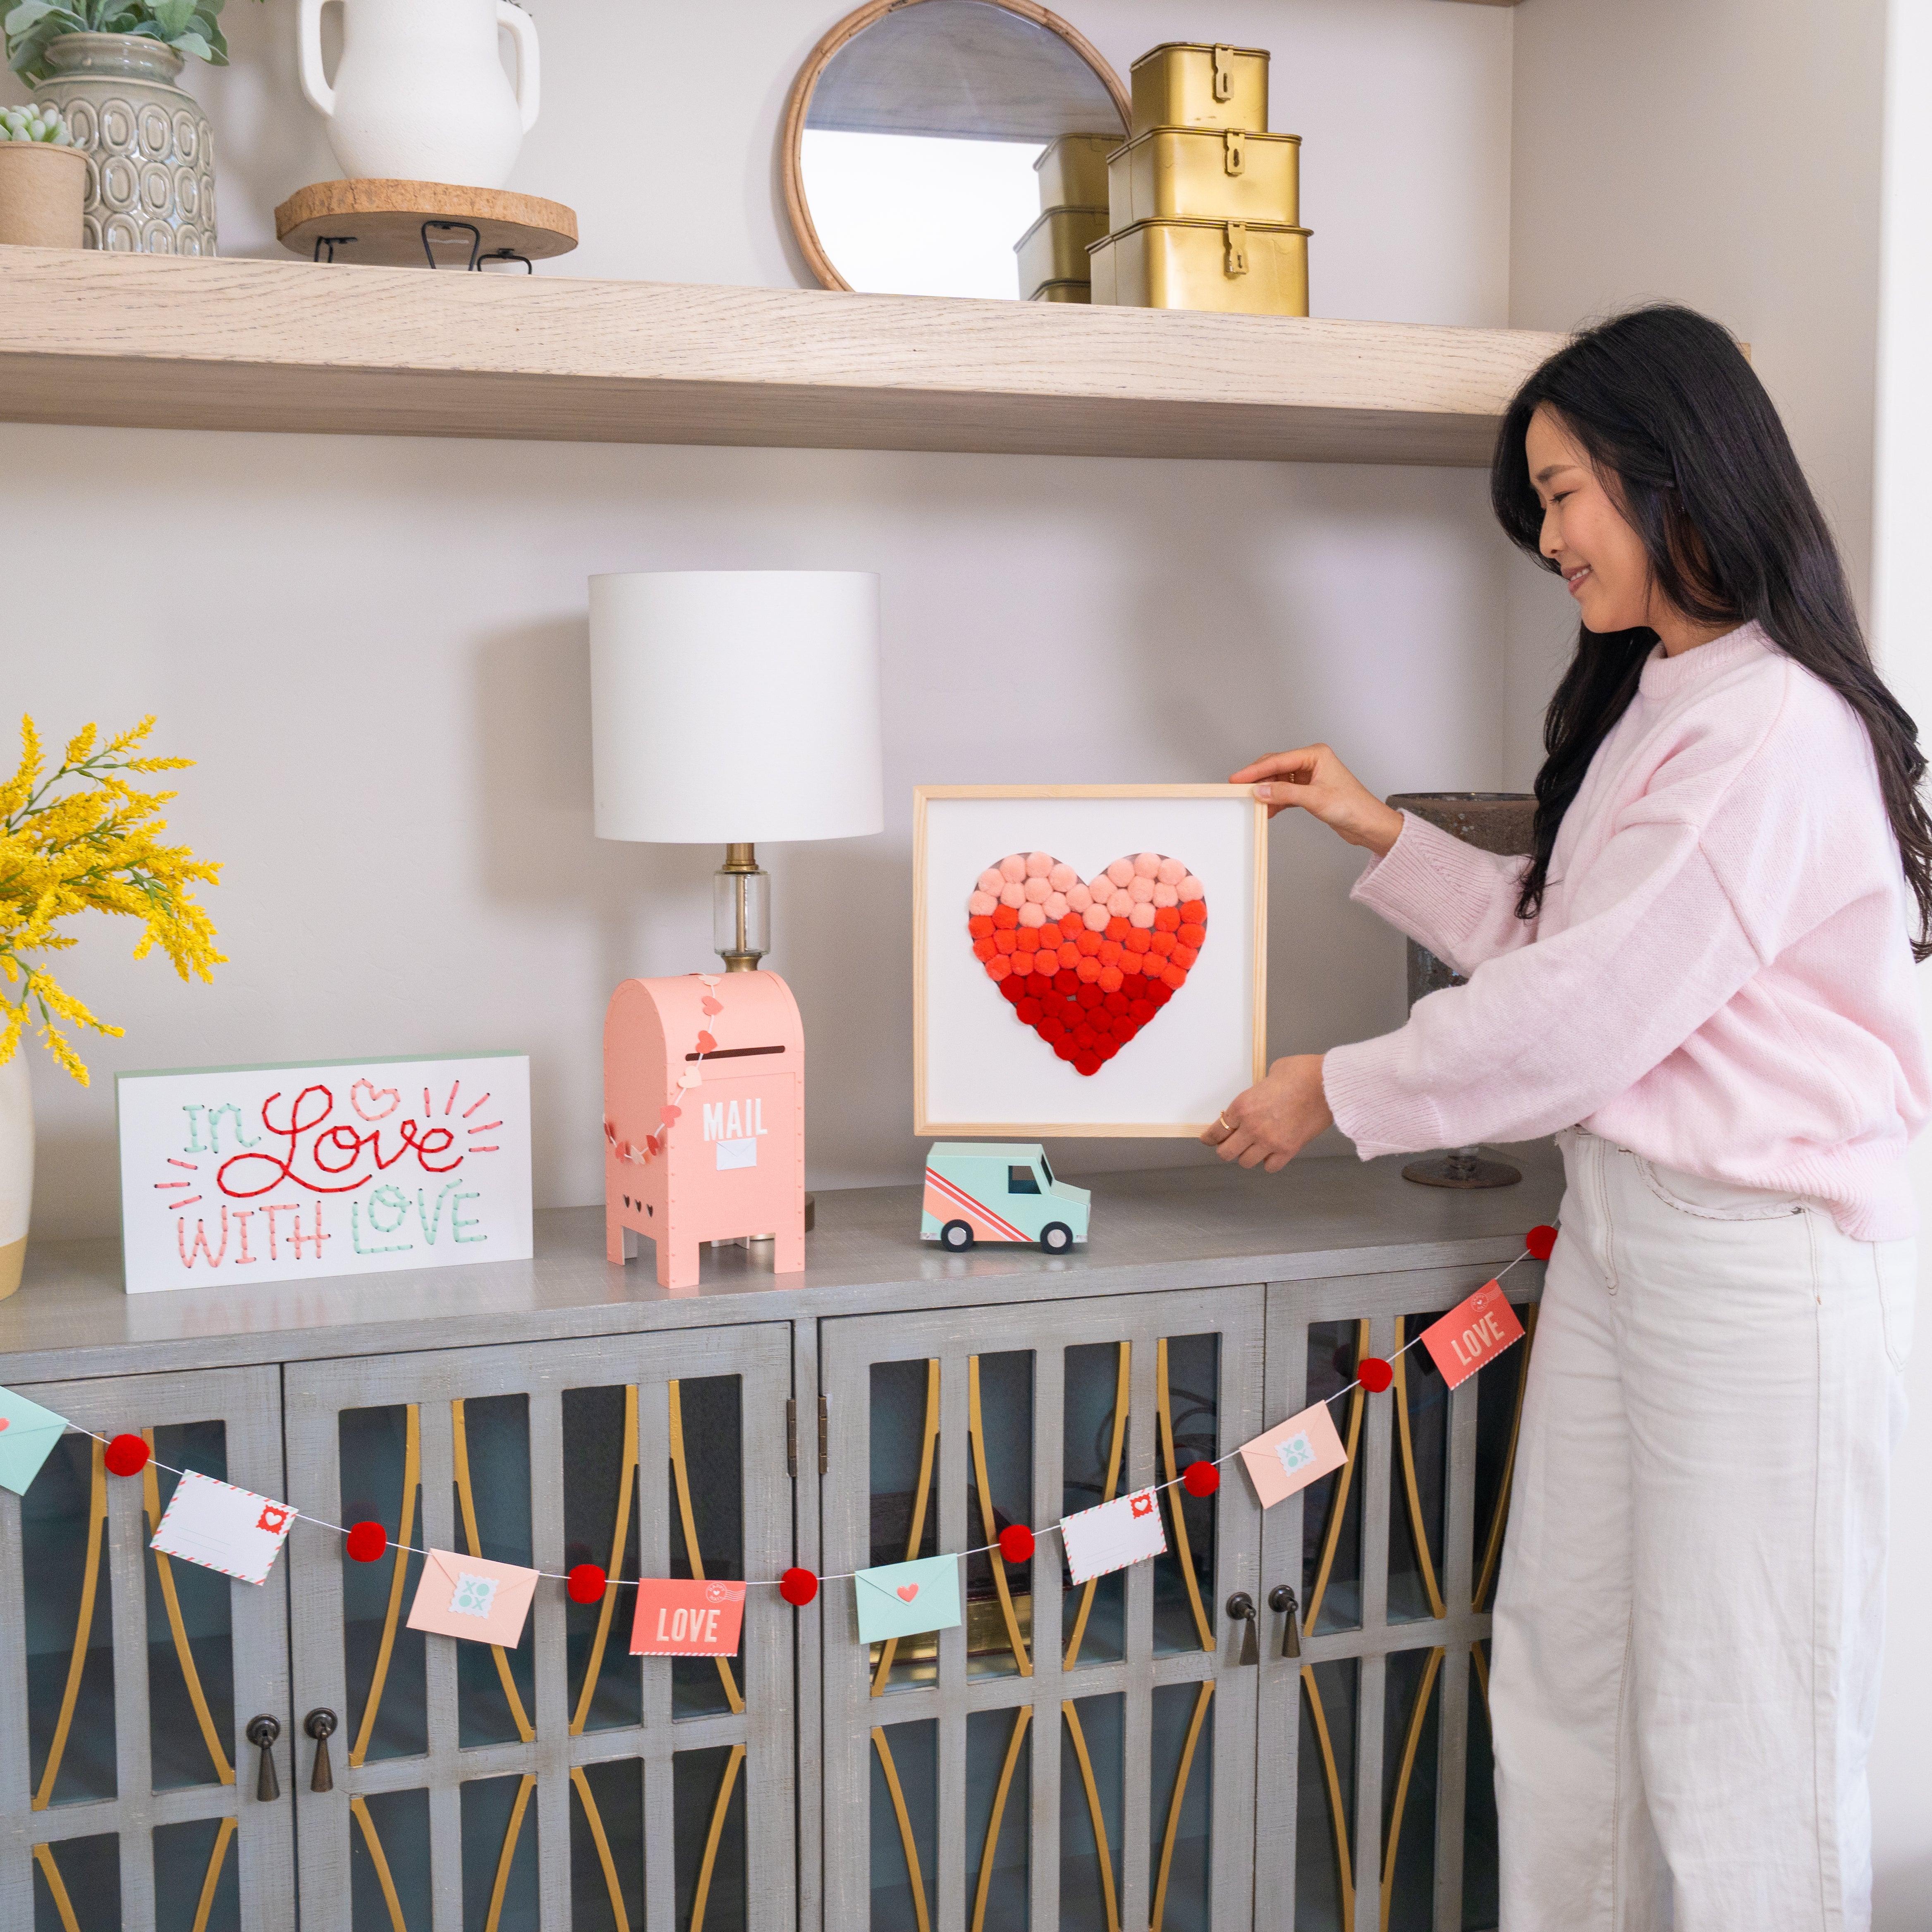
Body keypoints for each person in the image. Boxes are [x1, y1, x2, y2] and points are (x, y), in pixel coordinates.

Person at [1202, 304, 1928, 1930]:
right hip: (1632, 1247)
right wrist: (1373, 825)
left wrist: (1337, 1084)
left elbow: (1587, 1017)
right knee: (1564, 1686)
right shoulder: (1669, 698)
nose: (1547, 539)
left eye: (1561, 493)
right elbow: (1570, 946)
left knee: (1740, 1734)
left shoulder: (1772, 731)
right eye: (1536, 503)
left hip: (1758, 1271)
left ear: (1669, 475)